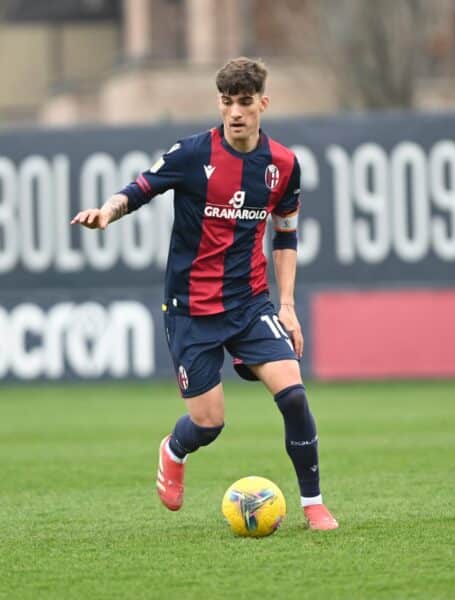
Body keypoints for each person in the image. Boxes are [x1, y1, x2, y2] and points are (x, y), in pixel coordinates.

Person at [71, 57, 338, 531]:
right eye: (227, 102)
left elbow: (286, 234)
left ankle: (314, 504)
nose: (235, 112)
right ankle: (175, 449)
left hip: (250, 303)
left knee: (294, 395)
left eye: (244, 102)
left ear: (262, 104)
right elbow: (138, 188)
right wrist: (107, 212)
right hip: (191, 309)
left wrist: (288, 305)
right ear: (219, 103)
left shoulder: (283, 165)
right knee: (209, 423)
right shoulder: (193, 154)